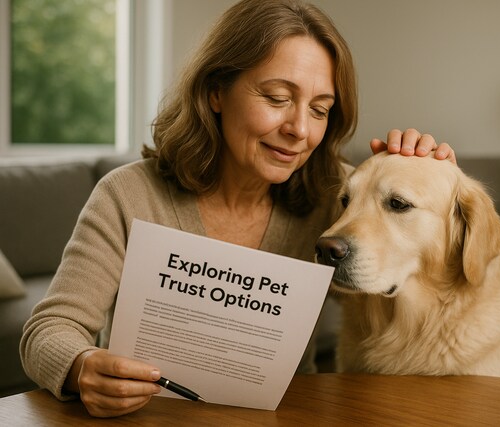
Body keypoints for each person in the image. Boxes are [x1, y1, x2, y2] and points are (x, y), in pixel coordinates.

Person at [20, 0, 455, 418]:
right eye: (277, 97)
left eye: (320, 110)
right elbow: (49, 329)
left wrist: (441, 182)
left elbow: (442, 278)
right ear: (216, 93)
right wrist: (82, 366)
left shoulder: (339, 196)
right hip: (148, 418)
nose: (299, 130)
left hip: (287, 416)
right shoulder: (128, 194)